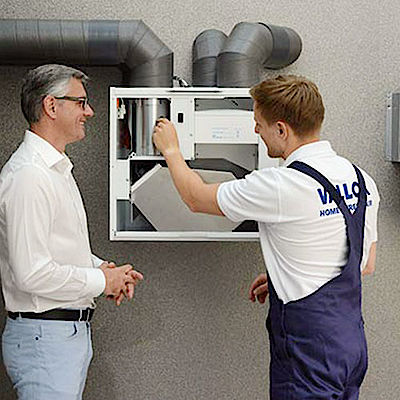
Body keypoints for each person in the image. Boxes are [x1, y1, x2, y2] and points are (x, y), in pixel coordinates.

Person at [152, 75, 379, 400]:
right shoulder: (362, 179)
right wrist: (285, 277)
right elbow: (364, 263)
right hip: (350, 344)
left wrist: (171, 149)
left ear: (282, 129)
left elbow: (195, 197)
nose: (256, 130)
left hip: (309, 353)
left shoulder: (279, 185)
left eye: (259, 123)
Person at [0, 64, 144, 400]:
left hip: (58, 338)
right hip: (45, 338)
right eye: (80, 102)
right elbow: (32, 273)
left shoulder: (55, 170)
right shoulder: (29, 176)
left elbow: (58, 248)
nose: (89, 112)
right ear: (51, 106)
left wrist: (102, 270)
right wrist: (100, 281)